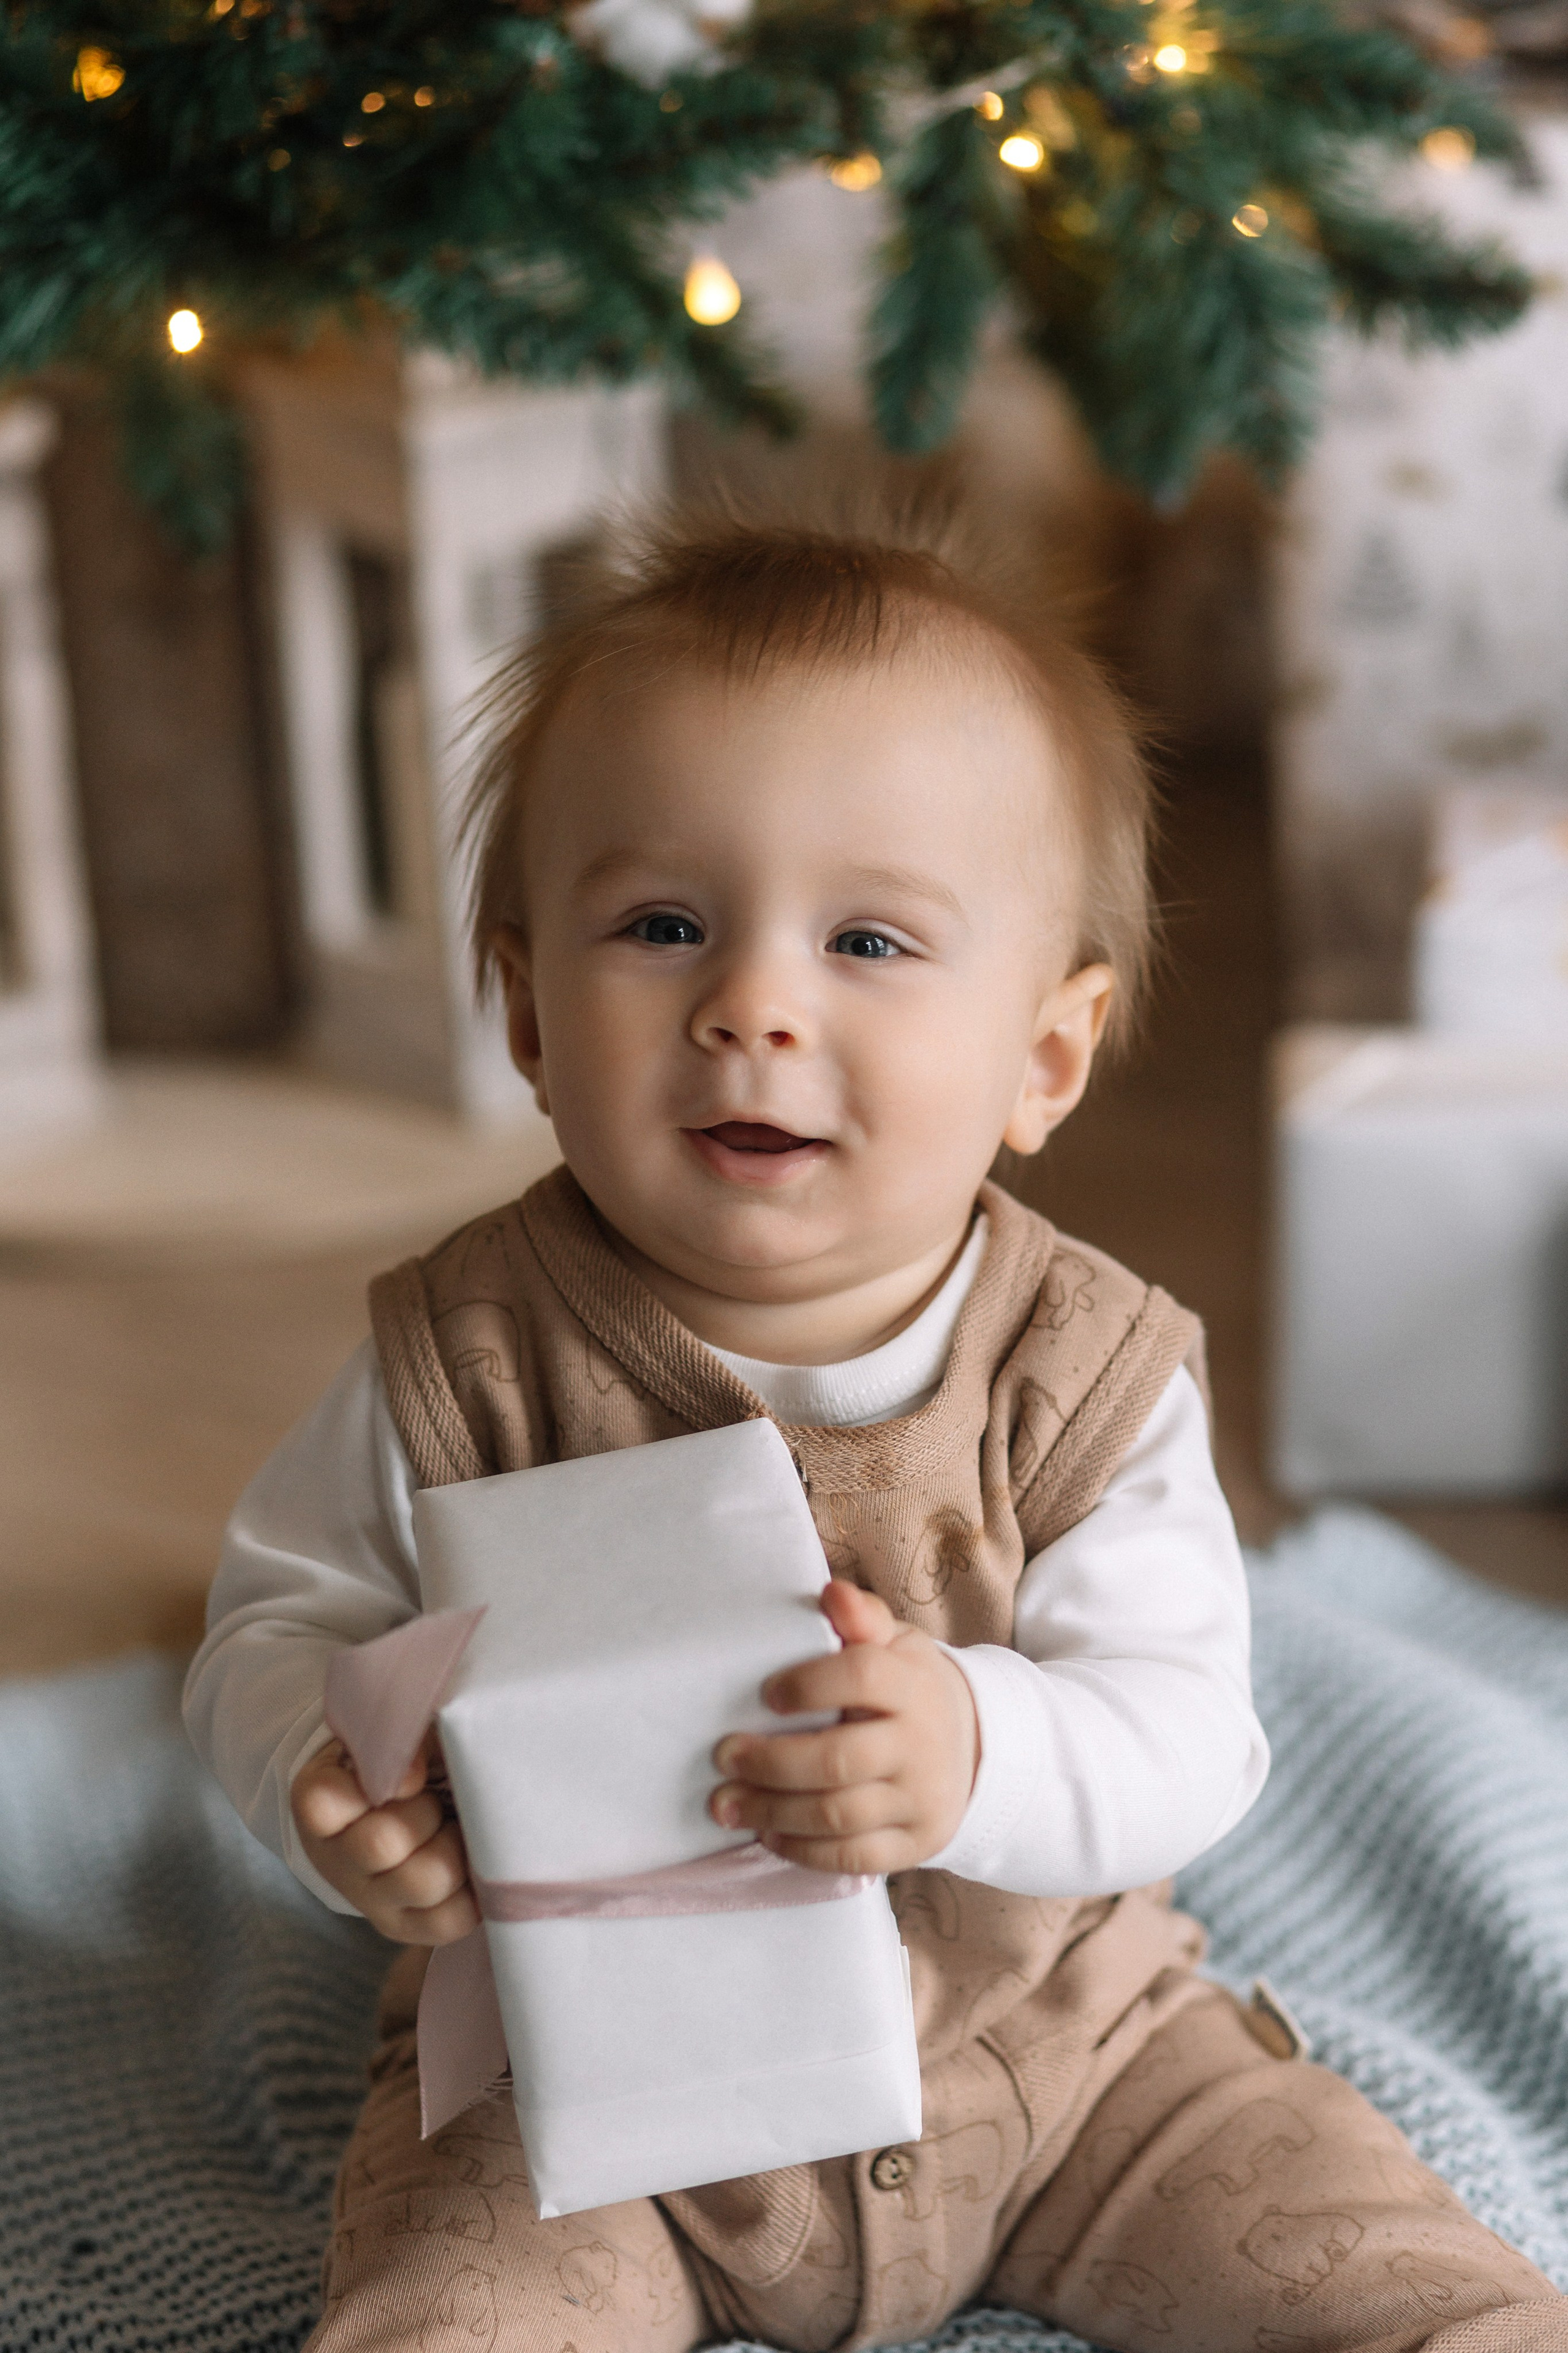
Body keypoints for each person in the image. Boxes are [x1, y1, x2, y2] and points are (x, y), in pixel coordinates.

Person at [184, 507, 1567, 2353]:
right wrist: (317, 1777)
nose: (754, 1004)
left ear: (1044, 1060)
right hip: (582, 2100)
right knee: (449, 2312)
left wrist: (981, 1746)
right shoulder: (464, 1359)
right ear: (525, 1005)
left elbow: (1190, 1732)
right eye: (663, 923)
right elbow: (271, 1623)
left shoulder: (1085, 1373)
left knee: (1382, 2266)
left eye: (870, 939)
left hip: (1068, 2068)